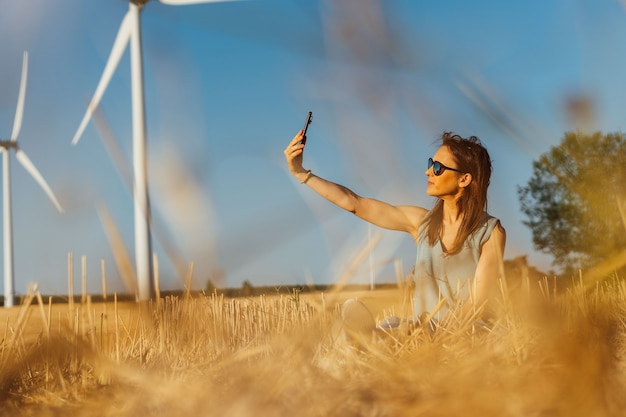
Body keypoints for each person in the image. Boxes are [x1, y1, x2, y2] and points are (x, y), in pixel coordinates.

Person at [283, 129, 506, 329]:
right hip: (422, 332)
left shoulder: (490, 233)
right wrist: (301, 173)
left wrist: (434, 333)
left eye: (437, 168)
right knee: (390, 327)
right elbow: (355, 203)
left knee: (395, 332)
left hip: (466, 333)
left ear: (464, 179)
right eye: (430, 163)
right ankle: (365, 338)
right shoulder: (421, 222)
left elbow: (477, 302)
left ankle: (370, 338)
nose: (428, 172)